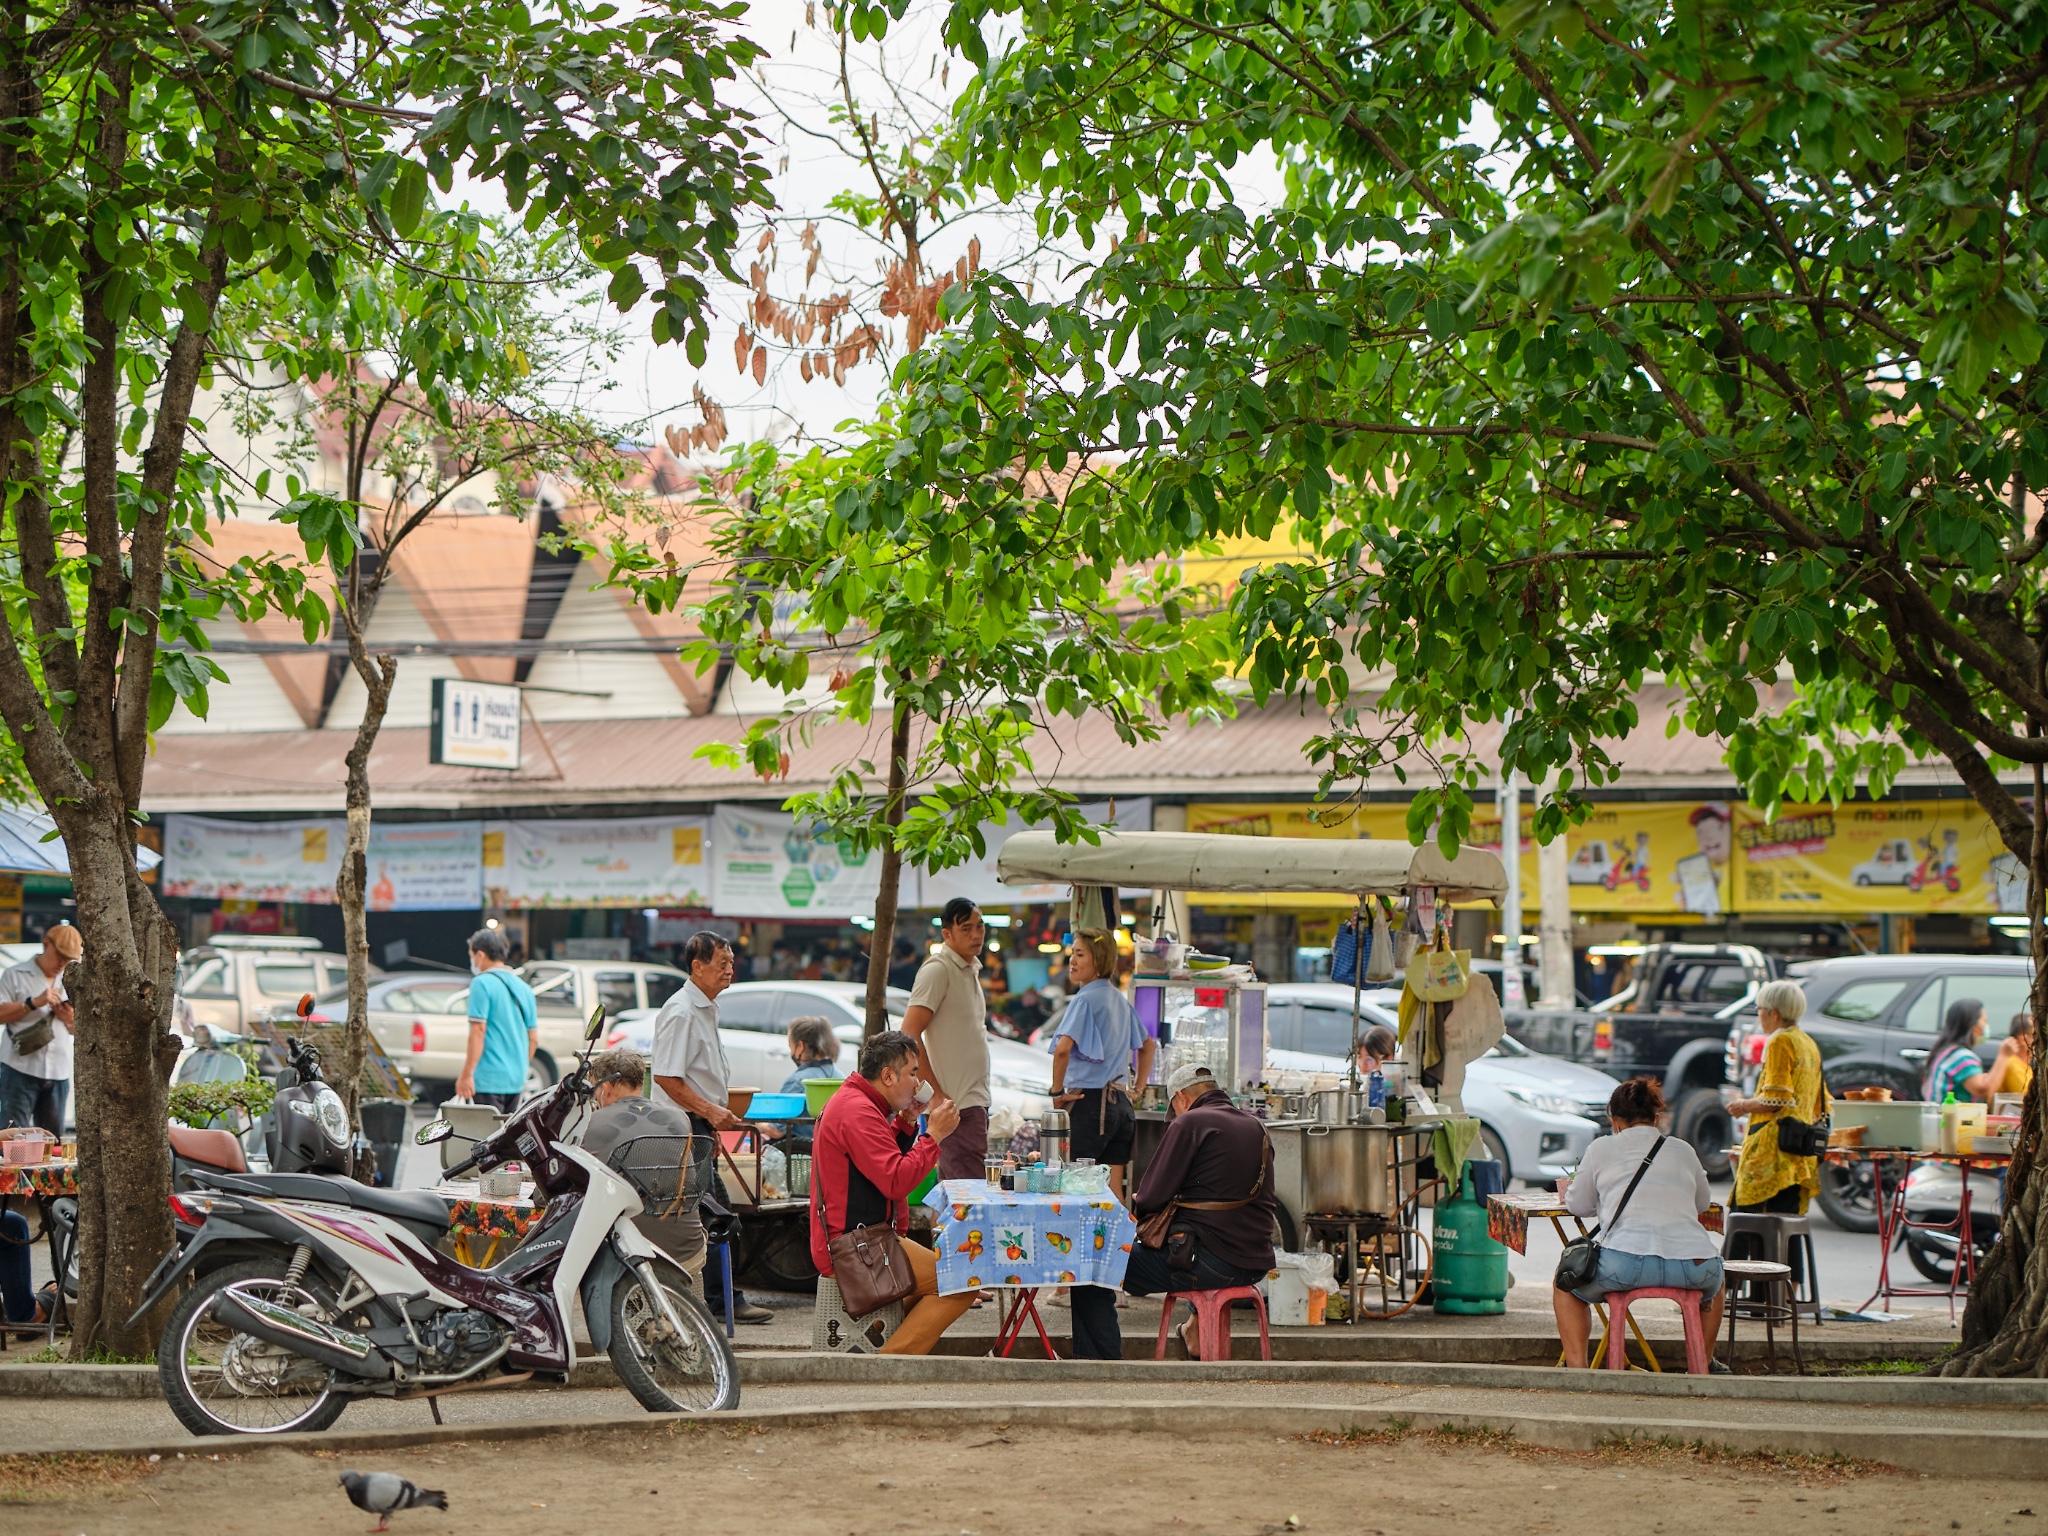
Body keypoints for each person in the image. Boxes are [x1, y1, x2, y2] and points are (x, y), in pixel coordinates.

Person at [1069, 1064, 1278, 1361]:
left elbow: (1151, 1197)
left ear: (1180, 1097)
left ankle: (1099, 1365)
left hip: (1206, 1262)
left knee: (1091, 1266)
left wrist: (1142, 1204)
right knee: (1204, 1232)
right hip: (1254, 1262)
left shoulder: (1190, 1122)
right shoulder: (1256, 1126)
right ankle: (1194, 1331)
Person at [808, 1028, 970, 1355]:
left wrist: (907, 1122)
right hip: (853, 1247)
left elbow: (878, 1161)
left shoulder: (859, 1103)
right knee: (961, 1284)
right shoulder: (857, 1110)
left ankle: (888, 1349)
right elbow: (896, 1180)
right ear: (888, 1075)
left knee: (947, 1277)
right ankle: (890, 1365)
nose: (918, 1083)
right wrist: (933, 1136)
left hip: (867, 1239)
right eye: (913, 1073)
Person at [1555, 1076, 1725, 1369]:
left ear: (1615, 1120)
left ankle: (1578, 1372)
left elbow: (1578, 1205)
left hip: (1624, 1265)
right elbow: (1701, 1204)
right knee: (1718, 1282)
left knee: (1565, 1283)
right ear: (1656, 1118)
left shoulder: (1601, 1149)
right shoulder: (1684, 1150)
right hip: (1694, 1266)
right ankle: (1701, 1363)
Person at [651, 930, 772, 1325]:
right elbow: (667, 1078)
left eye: (731, 963)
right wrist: (710, 1112)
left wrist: (715, 1115)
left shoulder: (704, 1008)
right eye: (722, 964)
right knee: (712, 1214)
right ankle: (723, 1298)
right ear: (697, 966)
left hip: (699, 1124)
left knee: (711, 1212)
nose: (729, 971)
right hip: (683, 1127)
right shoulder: (682, 1010)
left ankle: (723, 1296)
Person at [577, 1048, 705, 1278]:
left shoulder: (591, 1124)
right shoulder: (680, 1117)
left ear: (605, 1088)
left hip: (632, 1258)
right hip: (689, 1251)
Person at [1050, 927, 1155, 1200]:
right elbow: (1148, 1045)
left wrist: (1056, 1093)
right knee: (1113, 1192)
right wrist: (1138, 1089)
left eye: (1080, 954)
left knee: (1072, 1189)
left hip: (1089, 1105)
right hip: (1121, 1106)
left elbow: (1063, 1050)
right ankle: (1121, 1244)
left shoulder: (1084, 999)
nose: (1072, 960)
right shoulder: (1118, 1000)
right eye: (1072, 953)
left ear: (1098, 959)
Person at [902, 899, 992, 1180]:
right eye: (966, 928)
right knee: (964, 1200)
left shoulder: (969, 969)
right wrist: (935, 1094)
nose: (976, 935)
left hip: (970, 1103)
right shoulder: (938, 969)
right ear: (947, 934)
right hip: (955, 1107)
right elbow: (909, 1033)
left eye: (980, 927)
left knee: (957, 1195)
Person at [1724, 978, 1827, 1214]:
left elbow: (1777, 1098)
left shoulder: (1780, 1041)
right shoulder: (1808, 1043)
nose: (1759, 1015)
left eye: (1759, 1009)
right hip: (1797, 1151)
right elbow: (1821, 1101)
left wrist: (1743, 1105)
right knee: (1784, 1228)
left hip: (1771, 1150)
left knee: (1744, 1220)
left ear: (1773, 1013)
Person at [0, 922, 81, 1136]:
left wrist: (69, 1018)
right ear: (46, 944)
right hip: (19, 1067)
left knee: (52, 1140)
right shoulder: (15, 974)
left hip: (58, 1070)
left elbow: (81, 1030)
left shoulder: (74, 980)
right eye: (59, 955)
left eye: (68, 958)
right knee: (13, 1136)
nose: (62, 963)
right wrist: (32, 1003)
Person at [454, 927, 537, 1113]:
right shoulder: (524, 988)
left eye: (471, 955)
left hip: (488, 1079)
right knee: (505, 1139)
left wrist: (466, 1075)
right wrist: (520, 1068)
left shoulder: (481, 983)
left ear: (480, 955)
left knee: (487, 1138)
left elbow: (478, 1031)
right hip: (516, 1080)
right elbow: (533, 1038)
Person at [1921, 996, 1993, 1103]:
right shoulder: (1962, 1057)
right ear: (1974, 1026)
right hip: (1948, 1118)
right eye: (1984, 1021)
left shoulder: (1945, 1052)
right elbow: (1984, 1091)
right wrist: (2004, 1055)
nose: (1986, 1026)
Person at [778, 1016, 843, 1095]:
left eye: (790, 1046)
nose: (791, 1053)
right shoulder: (842, 1078)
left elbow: (785, 1106)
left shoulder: (796, 1082)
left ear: (800, 1046)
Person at [1989, 1012, 2035, 1098]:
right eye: (2036, 1035)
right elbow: (2029, 1098)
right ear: (2023, 1040)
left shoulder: (2028, 1064)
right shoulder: (2012, 1065)